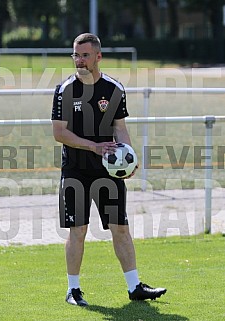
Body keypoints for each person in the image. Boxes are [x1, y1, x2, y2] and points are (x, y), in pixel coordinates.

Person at [51, 33, 167, 306]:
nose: (79, 60)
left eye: (85, 55)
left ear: (98, 57)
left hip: (108, 171)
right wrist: (94, 147)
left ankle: (134, 286)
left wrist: (129, 158)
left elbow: (120, 128)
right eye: (76, 55)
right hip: (76, 171)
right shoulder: (65, 89)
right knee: (77, 230)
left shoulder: (114, 89)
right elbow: (59, 133)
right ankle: (73, 290)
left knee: (121, 228)